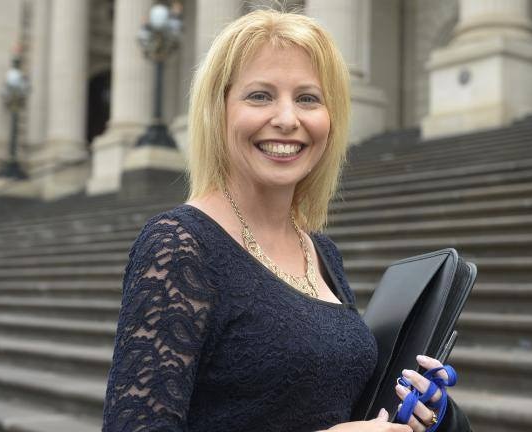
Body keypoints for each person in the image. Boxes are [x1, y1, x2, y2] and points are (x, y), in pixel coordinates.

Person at [102, 9, 471, 432]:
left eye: (308, 98)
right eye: (259, 95)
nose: (287, 119)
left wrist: (417, 409)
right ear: (218, 111)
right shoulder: (178, 245)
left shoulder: (321, 251)